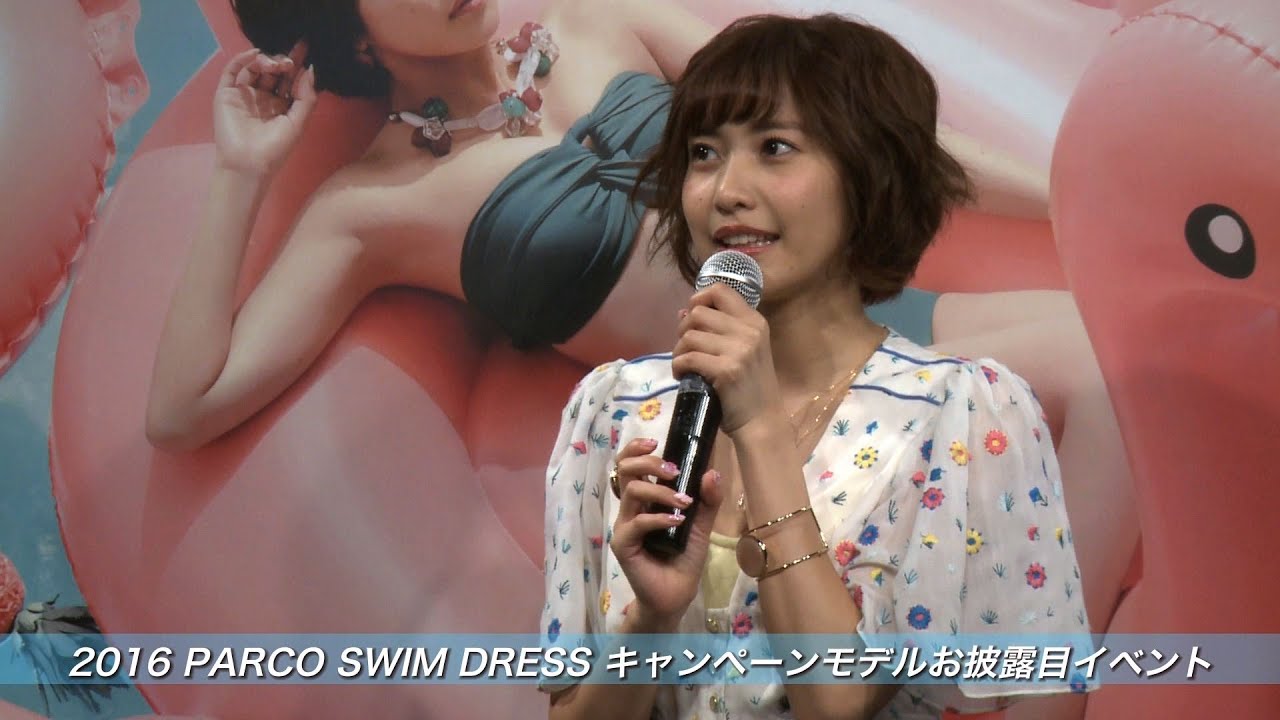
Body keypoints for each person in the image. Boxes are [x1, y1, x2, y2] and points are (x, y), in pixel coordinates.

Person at [539, 14, 1094, 720]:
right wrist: (652, 617)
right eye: (704, 154)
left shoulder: (963, 413)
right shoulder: (613, 407)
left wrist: (760, 427)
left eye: (775, 148)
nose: (726, 191)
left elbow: (836, 700)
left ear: (868, 175)